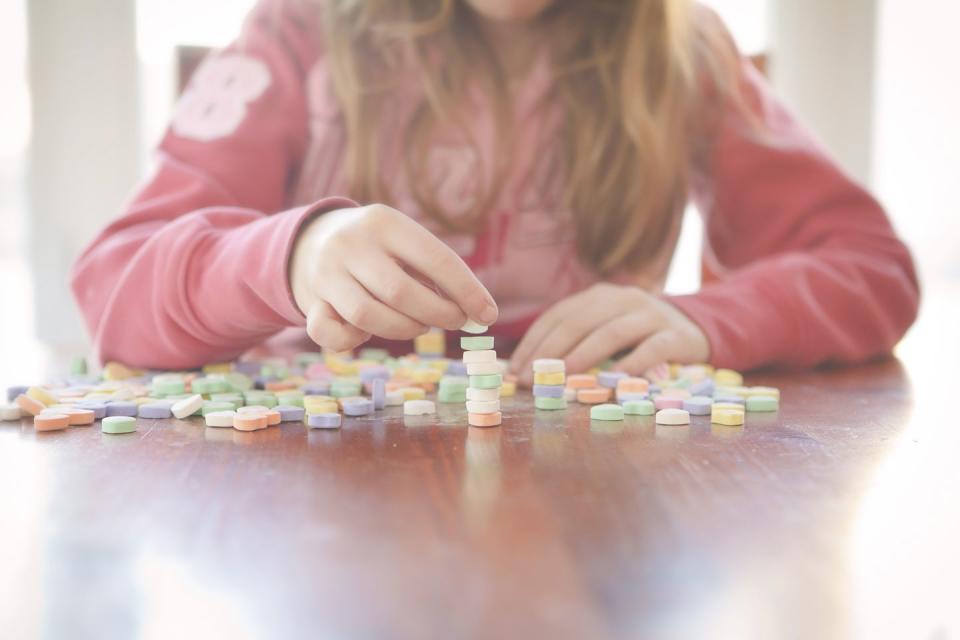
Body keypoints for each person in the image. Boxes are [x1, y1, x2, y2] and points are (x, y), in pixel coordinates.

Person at [71, 0, 919, 384]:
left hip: (593, 496)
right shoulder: (298, 34)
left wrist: (708, 319)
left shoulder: (684, 53)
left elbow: (872, 269)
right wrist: (289, 256)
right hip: (317, 501)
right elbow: (112, 284)